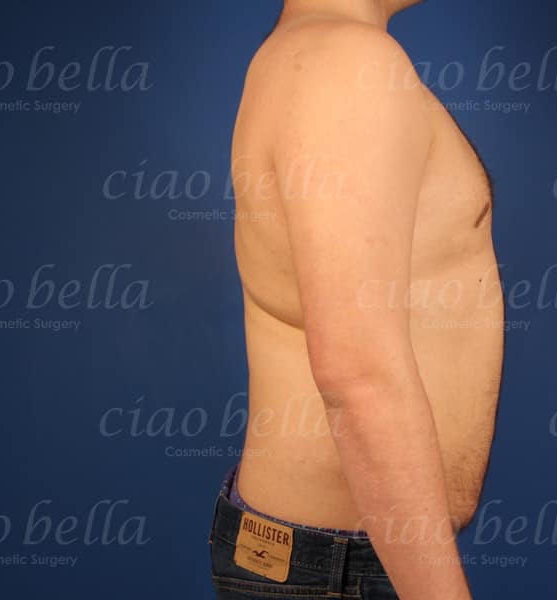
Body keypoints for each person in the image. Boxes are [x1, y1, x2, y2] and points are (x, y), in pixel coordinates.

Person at [208, 1, 505, 598]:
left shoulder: (313, 54)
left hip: (336, 560)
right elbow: (357, 373)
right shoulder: (345, 62)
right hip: (339, 569)